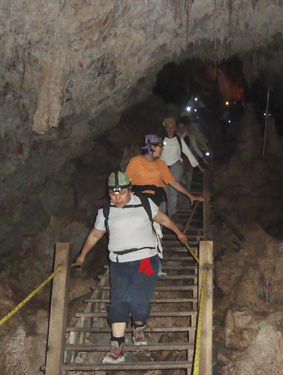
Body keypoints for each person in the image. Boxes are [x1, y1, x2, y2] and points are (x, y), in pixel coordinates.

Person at [75, 171, 187, 364]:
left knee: (138, 302)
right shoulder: (106, 212)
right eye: (113, 193)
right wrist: (82, 255)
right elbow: (95, 235)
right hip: (119, 263)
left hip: (145, 260)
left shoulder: (144, 204)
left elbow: (162, 219)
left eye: (121, 193)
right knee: (118, 302)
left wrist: (179, 233)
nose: (117, 197)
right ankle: (117, 346)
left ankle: (138, 326)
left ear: (130, 189)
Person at [125, 134, 203, 278]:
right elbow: (126, 184)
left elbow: (172, 182)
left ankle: (156, 268)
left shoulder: (161, 164)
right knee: (142, 234)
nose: (162, 150)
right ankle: (139, 266)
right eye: (160, 146)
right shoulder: (135, 161)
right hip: (140, 202)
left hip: (158, 201)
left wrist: (189, 195)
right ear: (152, 147)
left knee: (156, 234)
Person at [160, 118, 204, 218]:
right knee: (163, 193)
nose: (170, 129)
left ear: (174, 128)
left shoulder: (179, 140)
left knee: (173, 193)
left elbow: (188, 152)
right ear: (165, 129)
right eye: (168, 127)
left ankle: (172, 216)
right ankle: (163, 218)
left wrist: (198, 165)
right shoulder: (161, 140)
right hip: (163, 167)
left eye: (172, 127)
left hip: (176, 166)